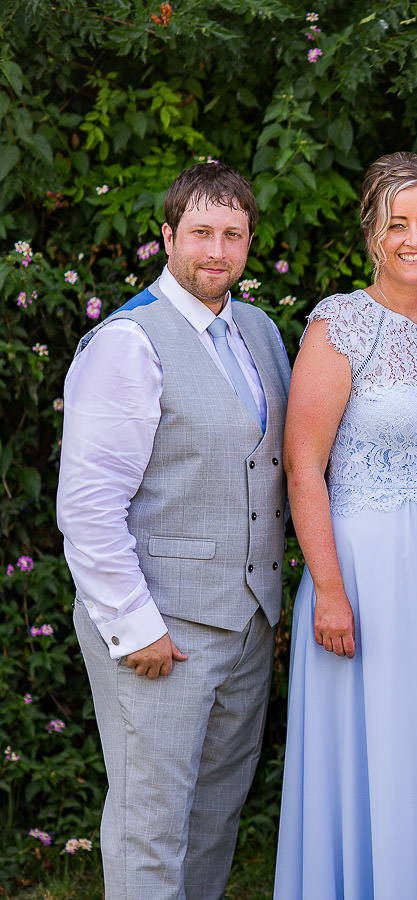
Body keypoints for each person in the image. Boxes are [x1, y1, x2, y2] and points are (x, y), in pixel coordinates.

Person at [56, 162, 290, 900]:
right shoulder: (128, 343)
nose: (215, 251)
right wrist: (135, 627)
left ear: (250, 243)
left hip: (248, 625)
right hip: (161, 631)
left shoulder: (261, 332)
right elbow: (88, 506)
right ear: (167, 236)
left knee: (216, 819)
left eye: (232, 234)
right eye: (199, 233)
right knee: (150, 828)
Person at [273, 152, 417, 898]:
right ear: (372, 231)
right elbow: (303, 466)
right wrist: (328, 591)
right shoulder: (341, 323)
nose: (414, 238)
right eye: (397, 222)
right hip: (362, 569)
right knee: (375, 749)